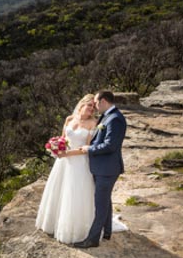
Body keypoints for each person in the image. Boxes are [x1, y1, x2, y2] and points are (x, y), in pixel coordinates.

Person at [35, 94, 98, 244]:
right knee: (58, 189)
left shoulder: (93, 123)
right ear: (82, 104)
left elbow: (86, 148)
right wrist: (55, 146)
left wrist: (66, 153)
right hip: (63, 161)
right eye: (89, 105)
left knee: (73, 193)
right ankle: (53, 223)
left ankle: (72, 229)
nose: (91, 109)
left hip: (79, 162)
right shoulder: (69, 119)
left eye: (93, 107)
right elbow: (63, 139)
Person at [72, 90, 127, 248]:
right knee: (105, 200)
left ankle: (93, 239)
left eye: (95, 103)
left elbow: (110, 145)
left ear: (103, 101)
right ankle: (107, 230)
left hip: (107, 169)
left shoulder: (115, 119)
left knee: (100, 204)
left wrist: (89, 149)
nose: (95, 107)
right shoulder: (107, 115)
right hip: (103, 167)